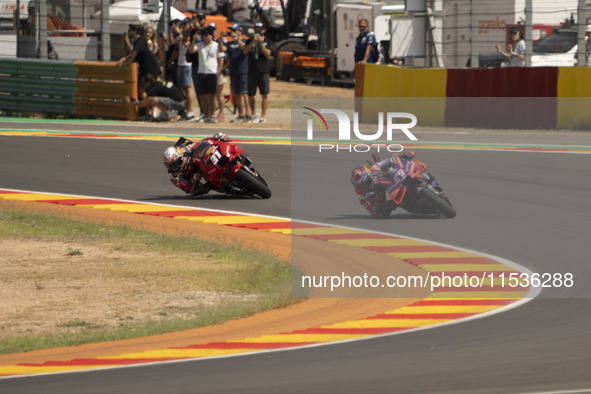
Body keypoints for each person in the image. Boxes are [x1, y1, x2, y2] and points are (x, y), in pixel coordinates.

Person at [351, 151, 415, 218]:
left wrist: (402, 156)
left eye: (366, 182)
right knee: (385, 212)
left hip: (395, 179)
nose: (364, 185)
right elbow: (374, 212)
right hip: (382, 199)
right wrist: (378, 197)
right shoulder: (361, 195)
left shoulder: (372, 170)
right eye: (362, 184)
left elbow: (387, 161)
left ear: (369, 176)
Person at [163, 133, 230, 196]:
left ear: (181, 158)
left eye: (174, 164)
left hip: (201, 162)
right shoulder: (173, 175)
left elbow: (201, 142)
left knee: (212, 149)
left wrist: (216, 138)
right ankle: (224, 188)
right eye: (169, 165)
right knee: (198, 192)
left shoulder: (186, 149)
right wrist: (194, 180)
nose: (172, 167)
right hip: (193, 177)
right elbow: (186, 189)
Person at [189, 26, 224, 123]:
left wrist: (218, 72)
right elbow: (191, 50)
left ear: (211, 36)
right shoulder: (200, 45)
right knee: (202, 96)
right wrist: (193, 41)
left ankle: (212, 115)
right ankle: (205, 115)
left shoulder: (216, 45)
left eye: (207, 35)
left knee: (212, 96)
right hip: (201, 73)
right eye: (203, 36)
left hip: (212, 73)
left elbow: (221, 59)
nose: (205, 38)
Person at [117, 24, 162, 99]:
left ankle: (148, 106)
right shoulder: (138, 41)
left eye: (130, 31)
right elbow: (135, 54)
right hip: (145, 70)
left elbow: (134, 52)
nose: (128, 33)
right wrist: (125, 59)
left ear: (134, 32)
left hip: (150, 70)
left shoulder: (140, 40)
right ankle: (145, 107)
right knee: (141, 89)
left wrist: (127, 61)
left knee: (144, 89)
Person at [243, 22, 272, 123]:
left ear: (263, 30)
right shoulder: (249, 41)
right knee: (250, 94)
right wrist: (253, 42)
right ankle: (254, 112)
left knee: (264, 93)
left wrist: (261, 43)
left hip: (263, 70)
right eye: (256, 30)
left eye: (260, 30)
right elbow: (245, 51)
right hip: (252, 70)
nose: (258, 32)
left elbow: (267, 54)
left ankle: (263, 116)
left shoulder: (267, 41)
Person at [227, 23, 250, 122]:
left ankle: (248, 114)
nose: (232, 32)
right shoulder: (229, 44)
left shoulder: (245, 41)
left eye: (234, 30)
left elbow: (245, 50)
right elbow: (224, 51)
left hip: (243, 71)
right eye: (232, 30)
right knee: (237, 94)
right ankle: (241, 115)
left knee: (245, 93)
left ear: (240, 31)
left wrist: (238, 40)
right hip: (233, 71)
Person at [176, 19, 196, 120]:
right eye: (182, 24)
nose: (182, 26)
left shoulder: (189, 35)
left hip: (187, 64)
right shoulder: (183, 35)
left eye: (184, 24)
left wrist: (185, 31)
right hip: (181, 63)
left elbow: (186, 42)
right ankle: (185, 110)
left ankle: (190, 111)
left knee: (188, 88)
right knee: (183, 89)